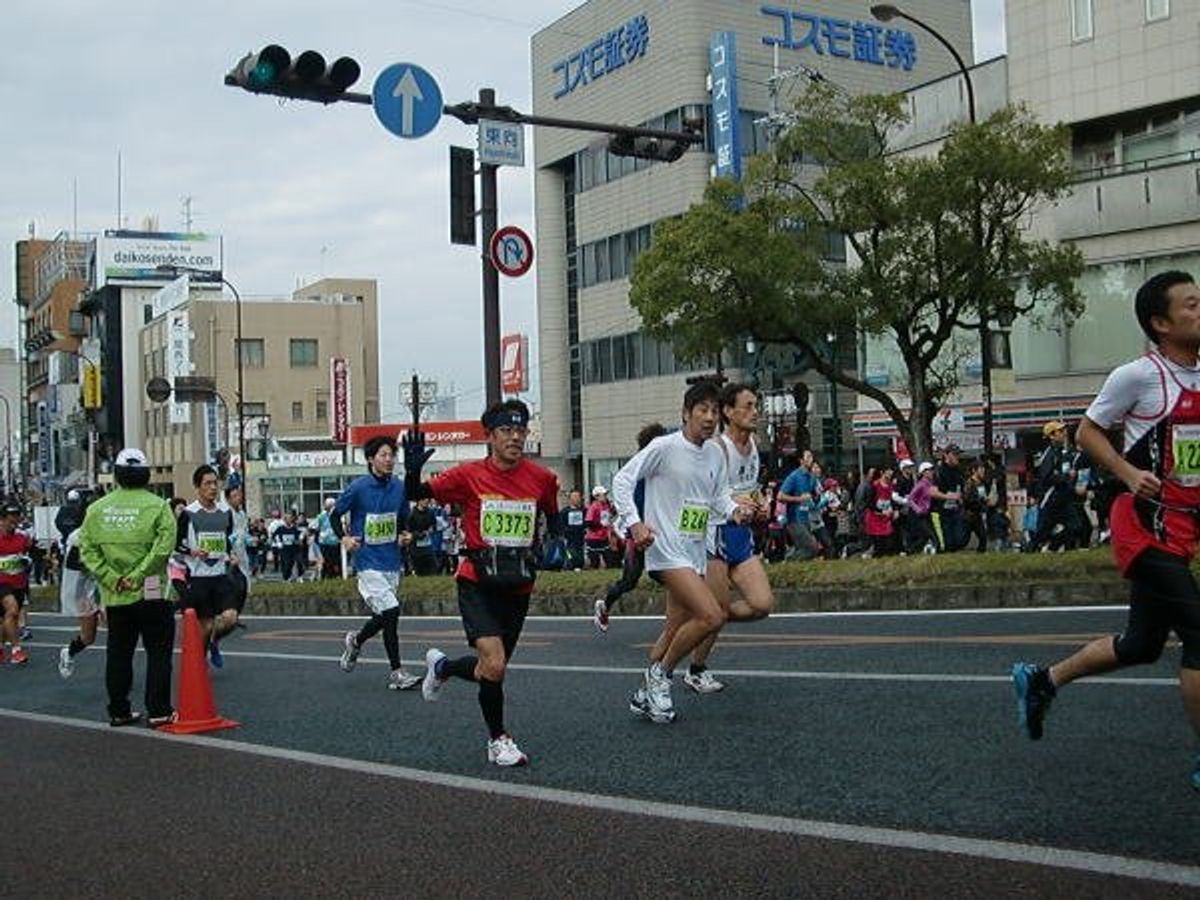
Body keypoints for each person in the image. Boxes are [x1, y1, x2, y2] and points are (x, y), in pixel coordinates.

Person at [1011, 270, 1200, 791]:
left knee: (1142, 644)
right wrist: (1128, 473)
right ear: (1161, 323)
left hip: (1183, 527)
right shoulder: (1138, 376)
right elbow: (1088, 432)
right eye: (1191, 305)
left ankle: (1043, 680)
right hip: (1144, 526)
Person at [406, 398, 560, 767]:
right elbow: (416, 494)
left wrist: (555, 544)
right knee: (494, 663)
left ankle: (442, 668)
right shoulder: (467, 475)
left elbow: (552, 515)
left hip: (518, 584)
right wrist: (412, 472)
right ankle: (498, 740)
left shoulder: (542, 479)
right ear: (489, 436)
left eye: (520, 430)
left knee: (491, 669)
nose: (515, 437)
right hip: (477, 581)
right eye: (506, 430)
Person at [611, 380, 752, 724]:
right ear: (686, 414)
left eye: (714, 411)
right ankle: (661, 677)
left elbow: (717, 496)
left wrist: (734, 510)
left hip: (694, 551)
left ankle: (644, 694)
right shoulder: (665, 446)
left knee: (675, 629)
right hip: (664, 550)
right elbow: (622, 481)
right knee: (712, 616)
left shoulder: (714, 453)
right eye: (702, 410)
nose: (709, 417)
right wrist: (634, 524)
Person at [79, 448, 177, 727]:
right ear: (146, 474)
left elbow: (87, 550)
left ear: (117, 475)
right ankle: (158, 710)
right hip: (152, 588)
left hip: (116, 593)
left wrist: (111, 577)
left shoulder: (97, 509)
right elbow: (163, 549)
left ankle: (119, 710)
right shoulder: (158, 506)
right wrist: (138, 575)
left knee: (119, 653)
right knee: (158, 652)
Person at [686, 383, 774, 693]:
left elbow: (751, 487)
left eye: (756, 406)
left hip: (741, 535)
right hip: (715, 535)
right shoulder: (717, 449)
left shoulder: (754, 446)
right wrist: (735, 503)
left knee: (762, 604)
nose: (755, 412)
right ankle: (696, 669)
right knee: (717, 612)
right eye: (748, 406)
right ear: (728, 411)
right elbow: (702, 493)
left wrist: (760, 503)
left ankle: (701, 618)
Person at [334, 435, 422, 691]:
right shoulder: (358, 487)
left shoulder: (399, 487)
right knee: (392, 612)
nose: (389, 460)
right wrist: (345, 538)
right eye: (383, 455)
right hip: (367, 561)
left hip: (391, 560)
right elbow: (335, 515)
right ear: (371, 459)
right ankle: (397, 672)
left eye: (392, 455)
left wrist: (406, 534)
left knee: (383, 616)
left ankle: (356, 641)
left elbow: (403, 519)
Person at [595, 423, 668, 633]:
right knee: (630, 580)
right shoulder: (638, 468)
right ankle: (604, 604)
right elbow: (625, 492)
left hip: (660, 533)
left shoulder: (664, 467)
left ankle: (682, 617)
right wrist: (635, 525)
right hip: (638, 534)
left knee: (669, 575)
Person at [176, 465, 239, 668]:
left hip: (220, 575)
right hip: (198, 578)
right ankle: (198, 665)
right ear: (197, 487)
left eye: (215, 483)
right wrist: (193, 552)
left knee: (230, 618)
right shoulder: (188, 513)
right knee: (206, 626)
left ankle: (214, 640)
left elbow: (226, 539)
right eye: (207, 484)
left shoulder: (225, 512)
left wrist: (230, 554)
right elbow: (176, 546)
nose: (213, 487)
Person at [58, 491, 101, 678]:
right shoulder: (78, 536)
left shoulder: (109, 532)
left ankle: (120, 673)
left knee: (119, 628)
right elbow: (74, 564)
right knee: (88, 637)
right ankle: (68, 651)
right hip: (82, 593)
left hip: (105, 588)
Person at [0, 501, 32, 665]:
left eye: (16, 517)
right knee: (12, 611)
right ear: (2, 519)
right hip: (1, 582)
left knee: (7, 617)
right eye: (10, 518)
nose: (14, 521)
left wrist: (26, 562)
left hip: (19, 582)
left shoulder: (23, 537)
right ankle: (16, 650)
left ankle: (1, 648)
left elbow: (26, 555)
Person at [777, 456, 821, 560]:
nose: (811, 459)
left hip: (806, 518)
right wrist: (799, 499)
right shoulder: (794, 476)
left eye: (812, 457)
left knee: (804, 549)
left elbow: (813, 496)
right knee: (812, 548)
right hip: (794, 519)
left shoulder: (811, 477)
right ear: (801, 461)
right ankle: (788, 559)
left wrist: (816, 496)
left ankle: (789, 559)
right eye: (808, 457)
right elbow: (780, 496)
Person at [932, 445, 967, 552]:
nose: (957, 457)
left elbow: (961, 487)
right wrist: (948, 496)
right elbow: (933, 492)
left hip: (957, 509)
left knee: (961, 539)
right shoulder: (939, 471)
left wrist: (962, 496)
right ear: (946, 455)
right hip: (944, 511)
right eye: (955, 454)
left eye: (958, 454)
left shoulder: (958, 470)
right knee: (949, 542)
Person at [407, 496, 440, 576]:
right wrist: (420, 535)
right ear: (418, 501)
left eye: (427, 499)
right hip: (416, 548)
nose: (426, 501)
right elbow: (408, 531)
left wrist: (431, 529)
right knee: (419, 571)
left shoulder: (430, 512)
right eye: (423, 499)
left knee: (434, 569)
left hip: (428, 547)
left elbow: (434, 525)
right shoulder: (411, 514)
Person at [584, 486, 613, 569]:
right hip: (593, 538)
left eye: (606, 494)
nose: (605, 496)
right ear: (596, 496)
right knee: (595, 563)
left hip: (604, 537)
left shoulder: (606, 506)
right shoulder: (593, 507)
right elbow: (588, 522)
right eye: (603, 494)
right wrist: (600, 524)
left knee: (610, 560)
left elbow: (609, 516)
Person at [558, 489, 587, 571]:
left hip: (580, 536)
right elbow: (561, 524)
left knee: (580, 551)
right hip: (569, 537)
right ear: (570, 498)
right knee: (571, 552)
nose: (576, 498)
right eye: (574, 496)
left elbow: (586, 522)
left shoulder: (584, 510)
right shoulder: (565, 511)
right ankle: (570, 565)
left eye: (578, 496)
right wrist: (564, 533)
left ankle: (580, 565)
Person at [314, 498, 343, 579]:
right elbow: (316, 527)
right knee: (326, 561)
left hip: (335, 541)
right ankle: (326, 576)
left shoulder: (338, 515)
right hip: (324, 541)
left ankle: (335, 575)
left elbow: (342, 526)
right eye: (327, 505)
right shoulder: (321, 516)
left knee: (335, 561)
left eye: (329, 505)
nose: (327, 506)